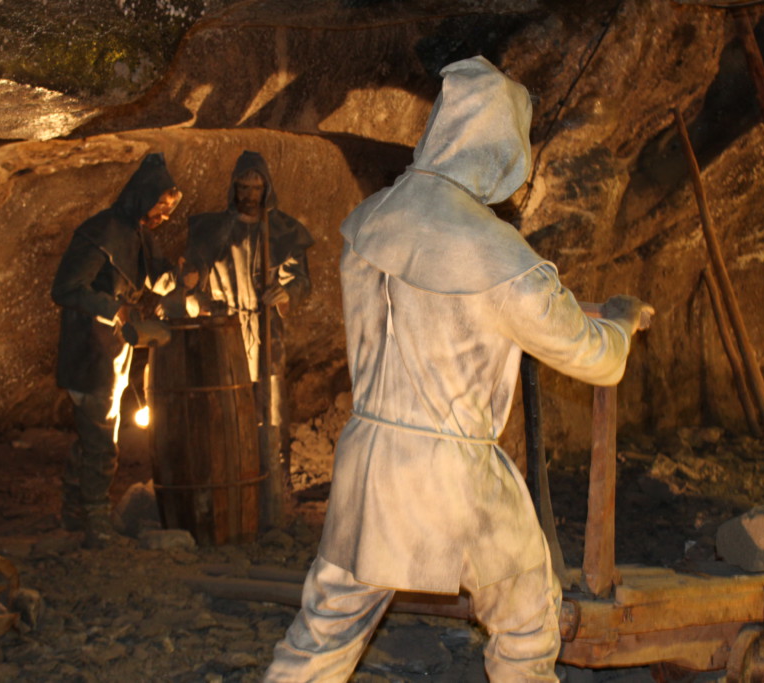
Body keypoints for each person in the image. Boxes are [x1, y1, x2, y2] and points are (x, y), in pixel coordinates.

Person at [264, 56, 653, 682]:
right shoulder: (497, 254)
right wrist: (623, 321)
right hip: (454, 477)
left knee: (324, 632)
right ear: (500, 146)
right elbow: (597, 359)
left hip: (368, 465)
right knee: (526, 620)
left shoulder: (371, 220)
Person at [51, 153, 182, 548]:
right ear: (143, 197)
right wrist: (114, 308)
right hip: (89, 348)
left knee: (93, 430)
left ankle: (74, 510)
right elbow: (66, 289)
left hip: (114, 348)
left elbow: (154, 276)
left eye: (169, 210)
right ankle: (95, 518)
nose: (164, 216)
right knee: (100, 437)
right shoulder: (101, 232)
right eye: (160, 206)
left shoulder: (139, 233)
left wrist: (178, 278)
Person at [184, 151, 314, 522]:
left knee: (271, 410)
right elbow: (193, 276)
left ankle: (276, 488)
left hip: (267, 331)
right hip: (225, 332)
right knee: (227, 409)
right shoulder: (214, 231)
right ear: (234, 188)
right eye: (243, 187)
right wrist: (198, 296)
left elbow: (301, 281)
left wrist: (286, 293)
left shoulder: (283, 231)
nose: (250, 195)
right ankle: (231, 485)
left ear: (266, 189)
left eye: (256, 188)